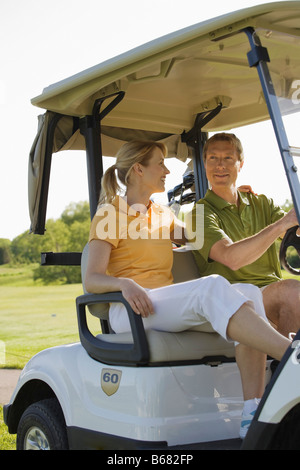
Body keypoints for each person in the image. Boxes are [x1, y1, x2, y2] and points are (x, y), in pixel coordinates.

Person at [85, 140, 291, 439]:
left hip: (161, 308)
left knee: (248, 291)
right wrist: (124, 284)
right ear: (139, 169)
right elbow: (92, 279)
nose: (167, 170)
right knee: (211, 287)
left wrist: (234, 197)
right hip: (130, 310)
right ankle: (291, 356)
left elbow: (211, 239)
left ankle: (252, 410)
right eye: (160, 163)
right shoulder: (109, 214)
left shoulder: (162, 214)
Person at [189, 132, 300, 338]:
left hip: (269, 291)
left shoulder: (261, 203)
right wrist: (281, 224)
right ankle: (285, 366)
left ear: (240, 164)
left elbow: (293, 229)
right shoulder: (199, 214)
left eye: (228, 158)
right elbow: (232, 259)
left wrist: (292, 220)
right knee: (293, 292)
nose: (220, 165)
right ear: (204, 164)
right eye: (213, 158)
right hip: (231, 298)